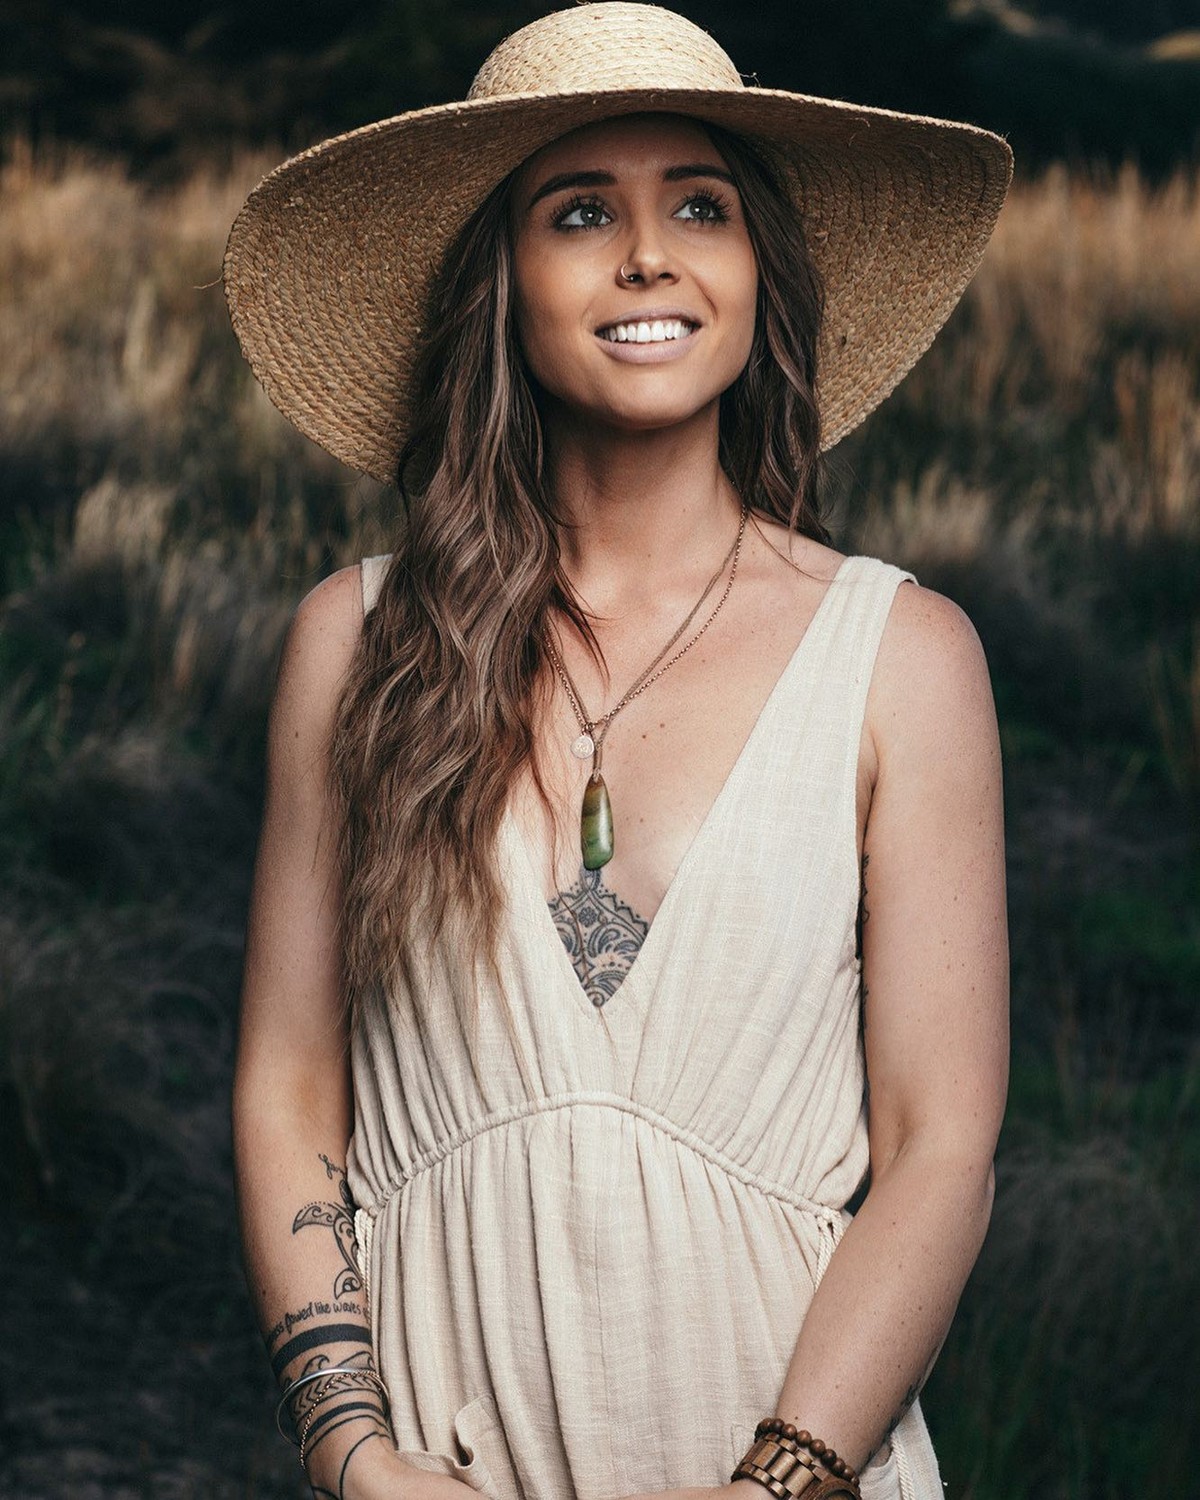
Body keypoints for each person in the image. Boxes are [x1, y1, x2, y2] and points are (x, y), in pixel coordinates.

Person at [225, 6, 1011, 1500]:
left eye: (699, 207)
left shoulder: (904, 659)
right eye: (580, 212)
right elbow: (287, 1089)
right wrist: (351, 1452)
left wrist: (782, 1483)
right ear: (500, 287)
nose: (649, 256)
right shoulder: (359, 641)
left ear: (755, 273)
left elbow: (938, 1146)